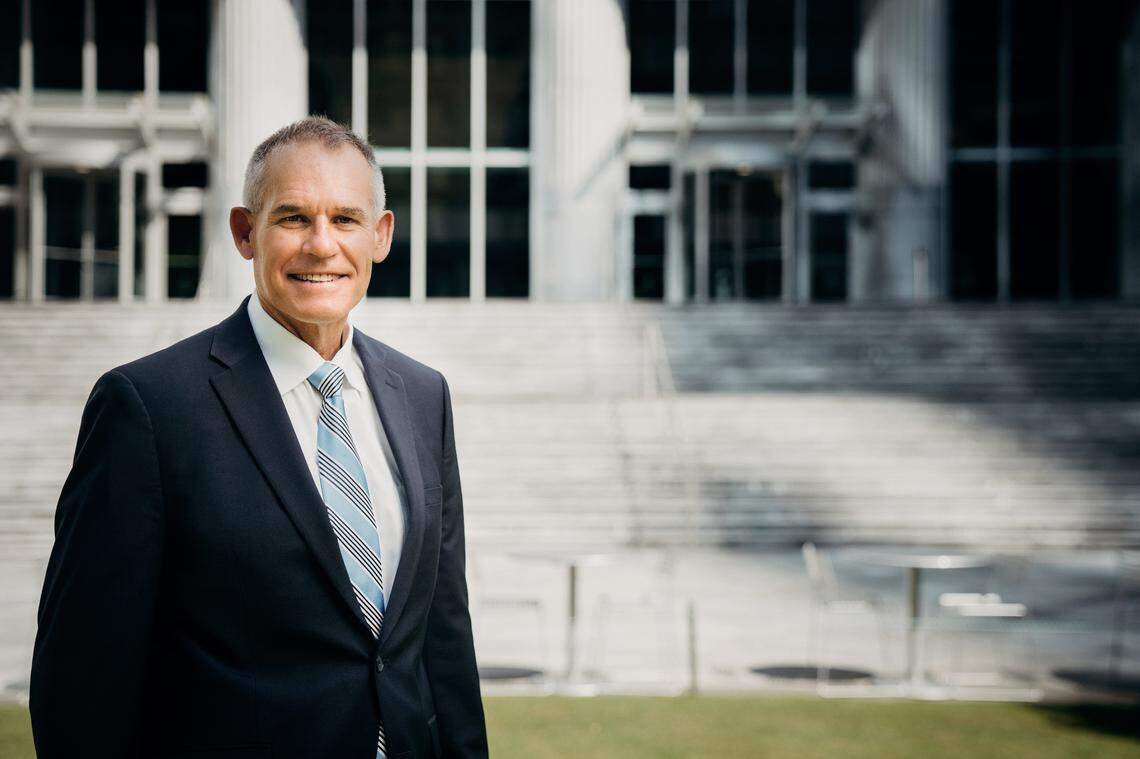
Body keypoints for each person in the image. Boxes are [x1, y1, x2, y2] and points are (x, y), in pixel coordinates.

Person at [29, 116, 488, 759]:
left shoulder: (422, 396)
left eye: (346, 220)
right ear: (246, 232)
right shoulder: (149, 407)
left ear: (380, 236)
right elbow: (83, 678)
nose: (322, 246)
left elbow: (444, 641)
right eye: (293, 218)